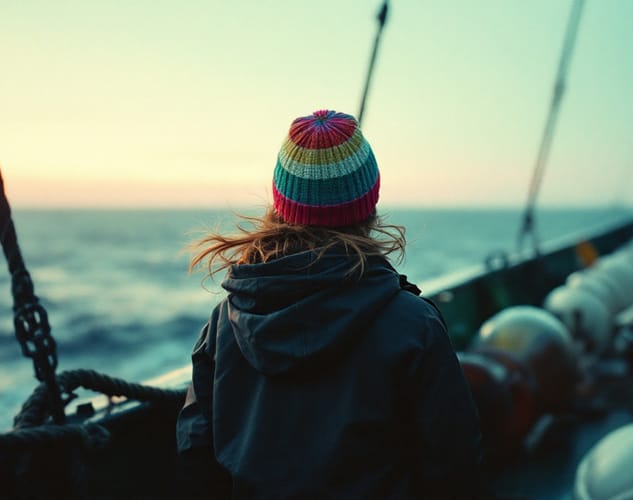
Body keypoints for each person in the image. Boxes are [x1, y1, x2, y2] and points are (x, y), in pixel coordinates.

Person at [175, 109, 483, 499]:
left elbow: (195, 450)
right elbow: (453, 466)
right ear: (369, 201)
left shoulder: (226, 319)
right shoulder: (413, 324)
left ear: (280, 201)